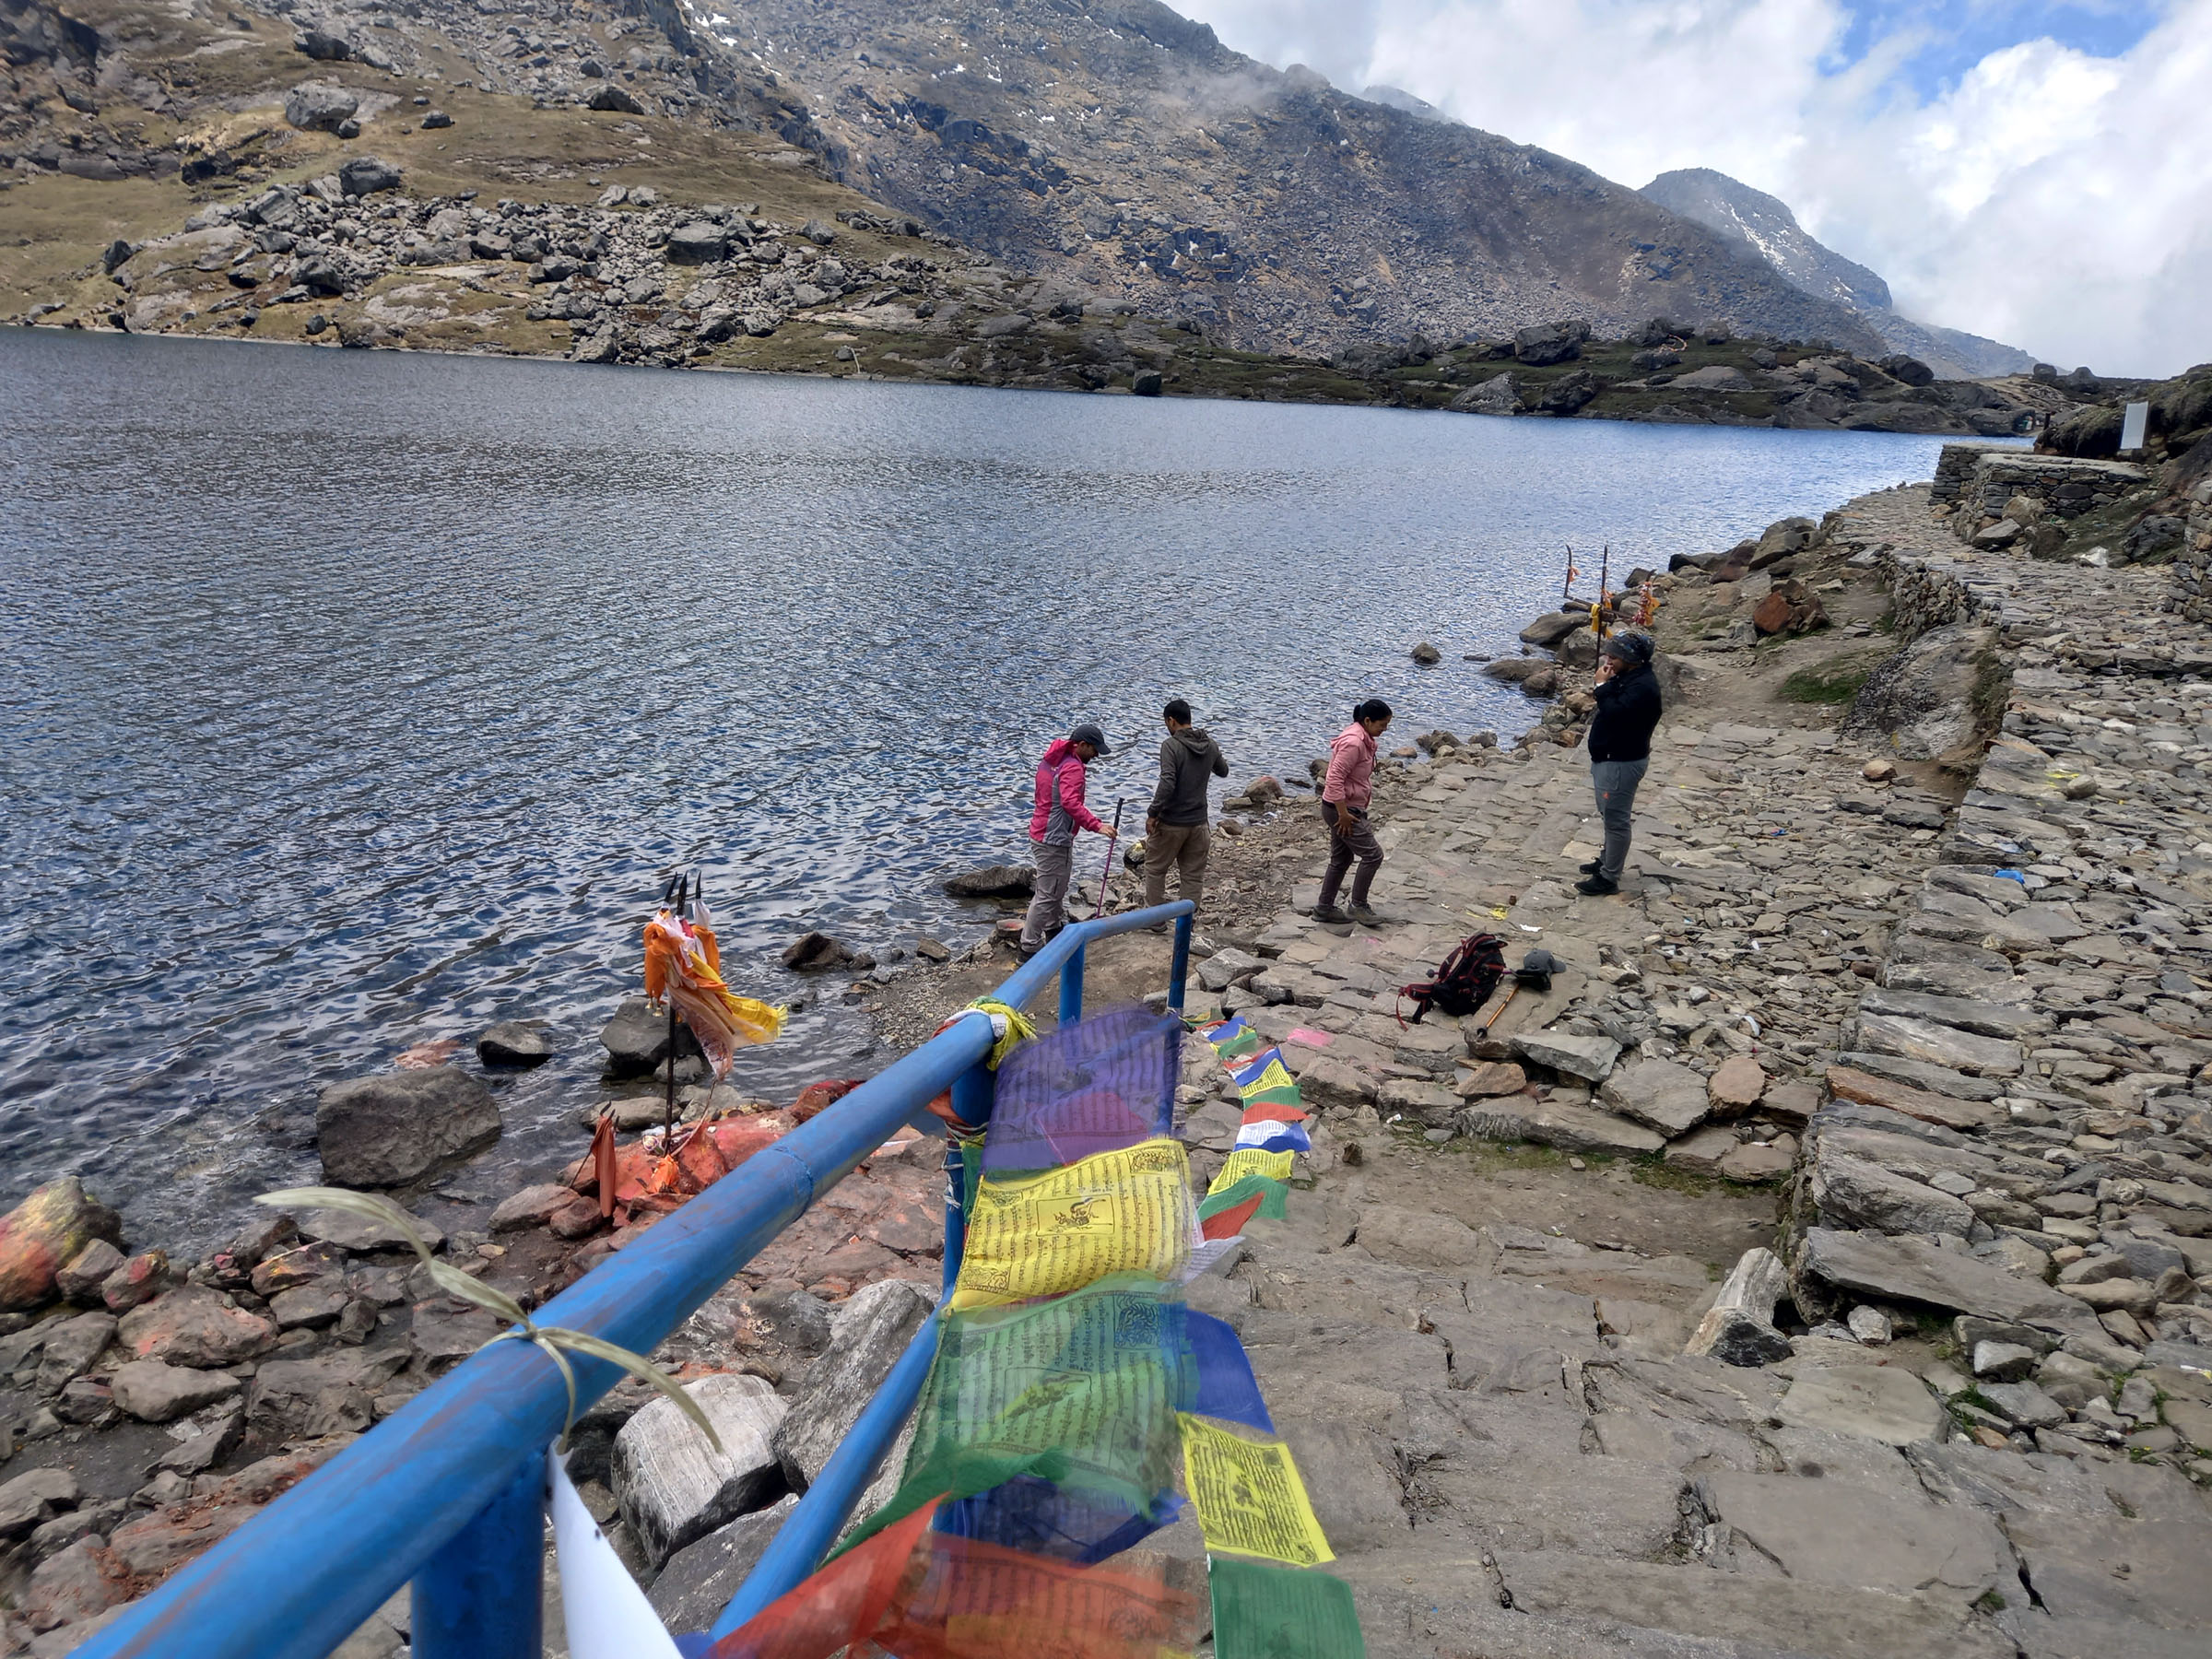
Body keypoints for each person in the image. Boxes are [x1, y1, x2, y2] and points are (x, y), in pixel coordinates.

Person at [1578, 632, 1663, 897]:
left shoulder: (1643, 688)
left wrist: (1602, 686)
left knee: (1616, 820)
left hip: (1621, 762)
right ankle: (1607, 859)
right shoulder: (1632, 678)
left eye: (1613, 657)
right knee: (1609, 814)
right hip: (1610, 759)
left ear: (1630, 659)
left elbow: (1615, 713)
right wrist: (1609, 681)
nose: (1608, 660)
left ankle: (1609, 877)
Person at [1020, 721, 1112, 955]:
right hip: (1054, 838)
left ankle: (1053, 930)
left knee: (1054, 887)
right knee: (1048, 893)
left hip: (1040, 831)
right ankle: (1029, 947)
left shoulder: (1050, 761)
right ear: (1081, 745)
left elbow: (1044, 796)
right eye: (1094, 750)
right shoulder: (1073, 768)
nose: (1096, 756)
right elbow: (1070, 803)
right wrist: (1097, 825)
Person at [1144, 698, 1230, 922]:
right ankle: (1185, 925)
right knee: (1192, 876)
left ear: (1171, 721)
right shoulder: (1210, 744)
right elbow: (1223, 771)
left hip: (1171, 822)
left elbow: (1167, 782)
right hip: (1199, 823)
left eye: (1166, 722)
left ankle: (1154, 922)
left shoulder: (1170, 746)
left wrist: (1153, 813)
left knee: (1155, 869)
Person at [1312, 698, 1392, 924]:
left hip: (1343, 807)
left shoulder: (1363, 738)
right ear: (1367, 720)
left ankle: (1324, 907)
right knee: (1373, 855)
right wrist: (1344, 814)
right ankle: (1358, 905)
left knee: (1342, 858)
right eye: (1382, 725)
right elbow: (1334, 778)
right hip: (1342, 809)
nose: (1384, 730)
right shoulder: (1354, 743)